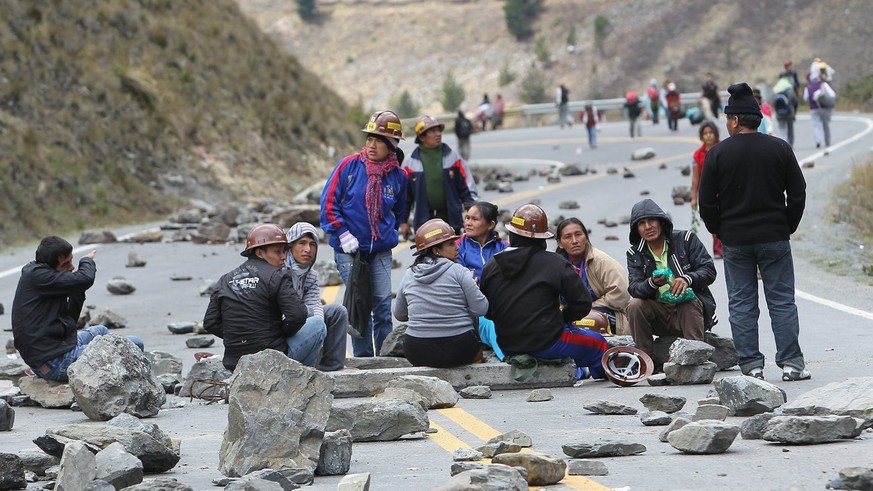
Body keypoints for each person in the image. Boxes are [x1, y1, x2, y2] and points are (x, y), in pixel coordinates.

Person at [698, 82, 810, 382]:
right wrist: (787, 225)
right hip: (774, 236)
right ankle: (792, 364)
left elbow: (706, 202)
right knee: (782, 300)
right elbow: (798, 192)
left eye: (727, 119)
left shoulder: (718, 154)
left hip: (736, 240)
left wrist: (720, 231)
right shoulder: (779, 148)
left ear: (734, 120)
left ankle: (752, 367)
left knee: (742, 303)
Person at [479, 204, 608, 380]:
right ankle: (601, 374)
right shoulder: (554, 263)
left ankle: (579, 372)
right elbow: (582, 303)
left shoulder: (490, 266)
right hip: (548, 342)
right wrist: (563, 318)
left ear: (512, 234)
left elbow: (487, 310)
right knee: (599, 345)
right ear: (541, 238)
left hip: (507, 345)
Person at [320, 110, 407, 357]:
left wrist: (388, 232)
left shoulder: (398, 176)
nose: (372, 144)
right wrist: (343, 234)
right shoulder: (348, 167)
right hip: (350, 251)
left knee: (381, 305)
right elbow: (328, 204)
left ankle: (385, 355)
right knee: (360, 305)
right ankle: (363, 357)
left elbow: (400, 211)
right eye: (370, 138)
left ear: (392, 145)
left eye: (379, 140)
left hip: (379, 252)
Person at [12, 237, 144, 382]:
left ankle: (113, 366)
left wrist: (77, 289)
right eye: (66, 263)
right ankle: (117, 374)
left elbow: (70, 320)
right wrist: (86, 261)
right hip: (53, 362)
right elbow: (86, 278)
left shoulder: (47, 277)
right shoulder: (40, 277)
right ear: (50, 265)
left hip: (59, 347)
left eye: (72, 261)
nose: (71, 267)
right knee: (135, 343)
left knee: (101, 331)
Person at [204, 224, 324, 371]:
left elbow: (210, 322)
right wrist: (280, 333)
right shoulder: (278, 275)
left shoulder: (225, 279)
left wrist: (238, 338)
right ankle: (303, 377)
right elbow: (298, 315)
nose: (283, 257)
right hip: (271, 360)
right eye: (277, 252)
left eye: (284, 251)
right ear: (260, 253)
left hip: (234, 361)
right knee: (317, 324)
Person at [626, 199, 717, 361]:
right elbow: (634, 288)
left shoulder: (686, 239)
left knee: (686, 298)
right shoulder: (635, 253)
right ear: (637, 229)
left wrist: (687, 279)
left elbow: (709, 270)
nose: (648, 227)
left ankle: (694, 357)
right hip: (659, 314)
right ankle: (647, 361)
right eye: (642, 223)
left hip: (690, 311)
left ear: (661, 222)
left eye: (652, 220)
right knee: (634, 305)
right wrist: (652, 283)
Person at [394, 219, 488, 368]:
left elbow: (400, 315)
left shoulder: (409, 274)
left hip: (417, 351)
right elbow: (481, 309)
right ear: (435, 250)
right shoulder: (459, 271)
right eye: (450, 244)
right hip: (460, 349)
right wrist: (472, 290)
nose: (457, 247)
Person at [285, 222, 349, 372]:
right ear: (290, 246)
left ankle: (332, 366)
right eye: (302, 243)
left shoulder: (310, 275)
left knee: (337, 312)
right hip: (282, 336)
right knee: (310, 315)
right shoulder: (280, 271)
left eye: (312, 244)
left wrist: (318, 331)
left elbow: (315, 305)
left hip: (301, 324)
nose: (308, 250)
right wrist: (316, 328)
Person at [400, 115, 477, 237]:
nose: (438, 134)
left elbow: (467, 187)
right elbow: (404, 197)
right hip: (423, 223)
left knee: (453, 253)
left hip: (451, 220)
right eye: (432, 131)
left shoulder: (453, 157)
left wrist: (473, 211)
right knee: (427, 255)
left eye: (438, 130)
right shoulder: (410, 163)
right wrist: (403, 221)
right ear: (422, 137)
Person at [555, 218, 630, 336]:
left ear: (586, 236)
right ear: (560, 243)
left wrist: (589, 308)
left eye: (578, 234)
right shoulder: (557, 265)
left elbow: (621, 294)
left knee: (589, 320)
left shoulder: (600, 260)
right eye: (568, 237)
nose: (574, 241)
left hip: (605, 315)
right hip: (571, 315)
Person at [689, 120, 723, 258]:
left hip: (724, 192)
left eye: (711, 133)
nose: (708, 136)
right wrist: (693, 198)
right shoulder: (698, 155)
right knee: (713, 221)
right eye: (705, 133)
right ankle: (718, 249)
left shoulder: (723, 148)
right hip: (708, 194)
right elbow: (695, 178)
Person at [457, 201, 508, 282]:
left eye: (474, 219)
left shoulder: (504, 247)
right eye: (467, 218)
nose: (468, 223)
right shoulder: (458, 246)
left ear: (490, 225)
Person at [804, 65, 836, 149]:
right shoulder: (823, 85)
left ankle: (818, 141)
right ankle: (827, 141)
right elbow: (832, 94)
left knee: (816, 125)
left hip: (813, 109)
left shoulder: (808, 88)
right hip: (824, 108)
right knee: (826, 125)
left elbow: (805, 98)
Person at [772, 75, 798, 146]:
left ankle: (782, 145)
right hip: (789, 113)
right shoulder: (790, 90)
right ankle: (790, 144)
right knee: (790, 129)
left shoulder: (776, 90)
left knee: (782, 130)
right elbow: (795, 101)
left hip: (779, 114)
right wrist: (794, 111)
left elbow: (773, 103)